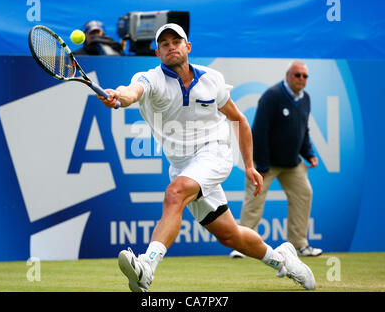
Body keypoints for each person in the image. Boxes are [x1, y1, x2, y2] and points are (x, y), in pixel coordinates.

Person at [98, 24, 315, 291]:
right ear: (158, 53)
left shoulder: (212, 79)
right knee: (229, 235)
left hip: (215, 153)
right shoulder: (150, 78)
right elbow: (132, 92)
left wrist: (249, 165)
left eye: (176, 41)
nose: (171, 46)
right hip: (183, 166)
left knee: (175, 193)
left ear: (187, 47)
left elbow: (239, 120)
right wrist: (118, 95)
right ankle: (284, 260)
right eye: (164, 44)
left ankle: (146, 266)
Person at [230, 60, 322, 259]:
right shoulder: (271, 96)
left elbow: (303, 130)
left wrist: (309, 153)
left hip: (291, 163)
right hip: (266, 162)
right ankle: (243, 245)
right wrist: (261, 164)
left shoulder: (305, 98)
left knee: (304, 194)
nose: (301, 79)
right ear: (288, 75)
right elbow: (259, 131)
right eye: (297, 75)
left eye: (305, 76)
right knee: (254, 200)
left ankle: (299, 245)